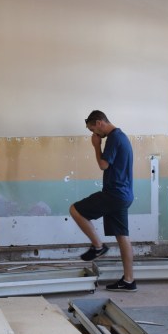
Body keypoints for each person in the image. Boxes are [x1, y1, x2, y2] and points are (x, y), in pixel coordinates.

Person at [70, 110, 136, 292]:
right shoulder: (121, 136)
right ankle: (129, 281)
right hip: (124, 194)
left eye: (94, 130)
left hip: (114, 194)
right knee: (123, 237)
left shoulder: (114, 138)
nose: (95, 135)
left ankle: (98, 246)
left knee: (75, 210)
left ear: (99, 123)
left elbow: (103, 164)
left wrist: (96, 146)